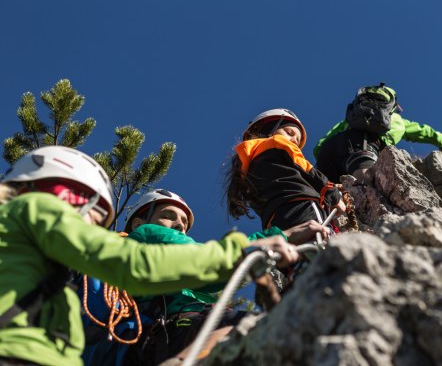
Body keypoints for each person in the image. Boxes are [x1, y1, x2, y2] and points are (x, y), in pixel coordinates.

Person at [0, 146, 300, 366]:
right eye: (93, 211)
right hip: (19, 356)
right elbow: (132, 265)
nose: (90, 225)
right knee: (245, 327)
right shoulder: (34, 208)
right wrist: (238, 253)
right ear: (67, 193)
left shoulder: (46, 273)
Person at [81, 188, 329, 365]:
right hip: (177, 328)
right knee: (254, 329)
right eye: (168, 215)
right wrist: (283, 236)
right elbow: (204, 262)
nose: (179, 225)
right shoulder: (147, 233)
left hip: (155, 342)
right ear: (137, 223)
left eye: (183, 222)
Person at [225, 108, 346, 231]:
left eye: (298, 141)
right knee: (322, 239)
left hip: (274, 221)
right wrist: (332, 193)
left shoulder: (247, 167)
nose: (294, 141)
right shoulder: (277, 142)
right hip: (303, 206)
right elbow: (305, 168)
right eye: (289, 132)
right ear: (269, 129)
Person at [314, 83, 442, 184]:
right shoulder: (396, 119)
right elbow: (422, 132)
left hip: (331, 148)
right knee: (366, 187)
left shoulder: (352, 118)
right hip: (365, 145)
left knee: (320, 195)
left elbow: (319, 147)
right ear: (392, 106)